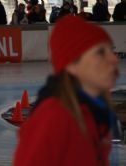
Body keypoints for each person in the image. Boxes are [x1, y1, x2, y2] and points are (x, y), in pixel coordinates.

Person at [13, 15, 120, 166]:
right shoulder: (54, 117)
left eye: (111, 50)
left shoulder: (96, 113)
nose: (114, 59)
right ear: (73, 65)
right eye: (101, 52)